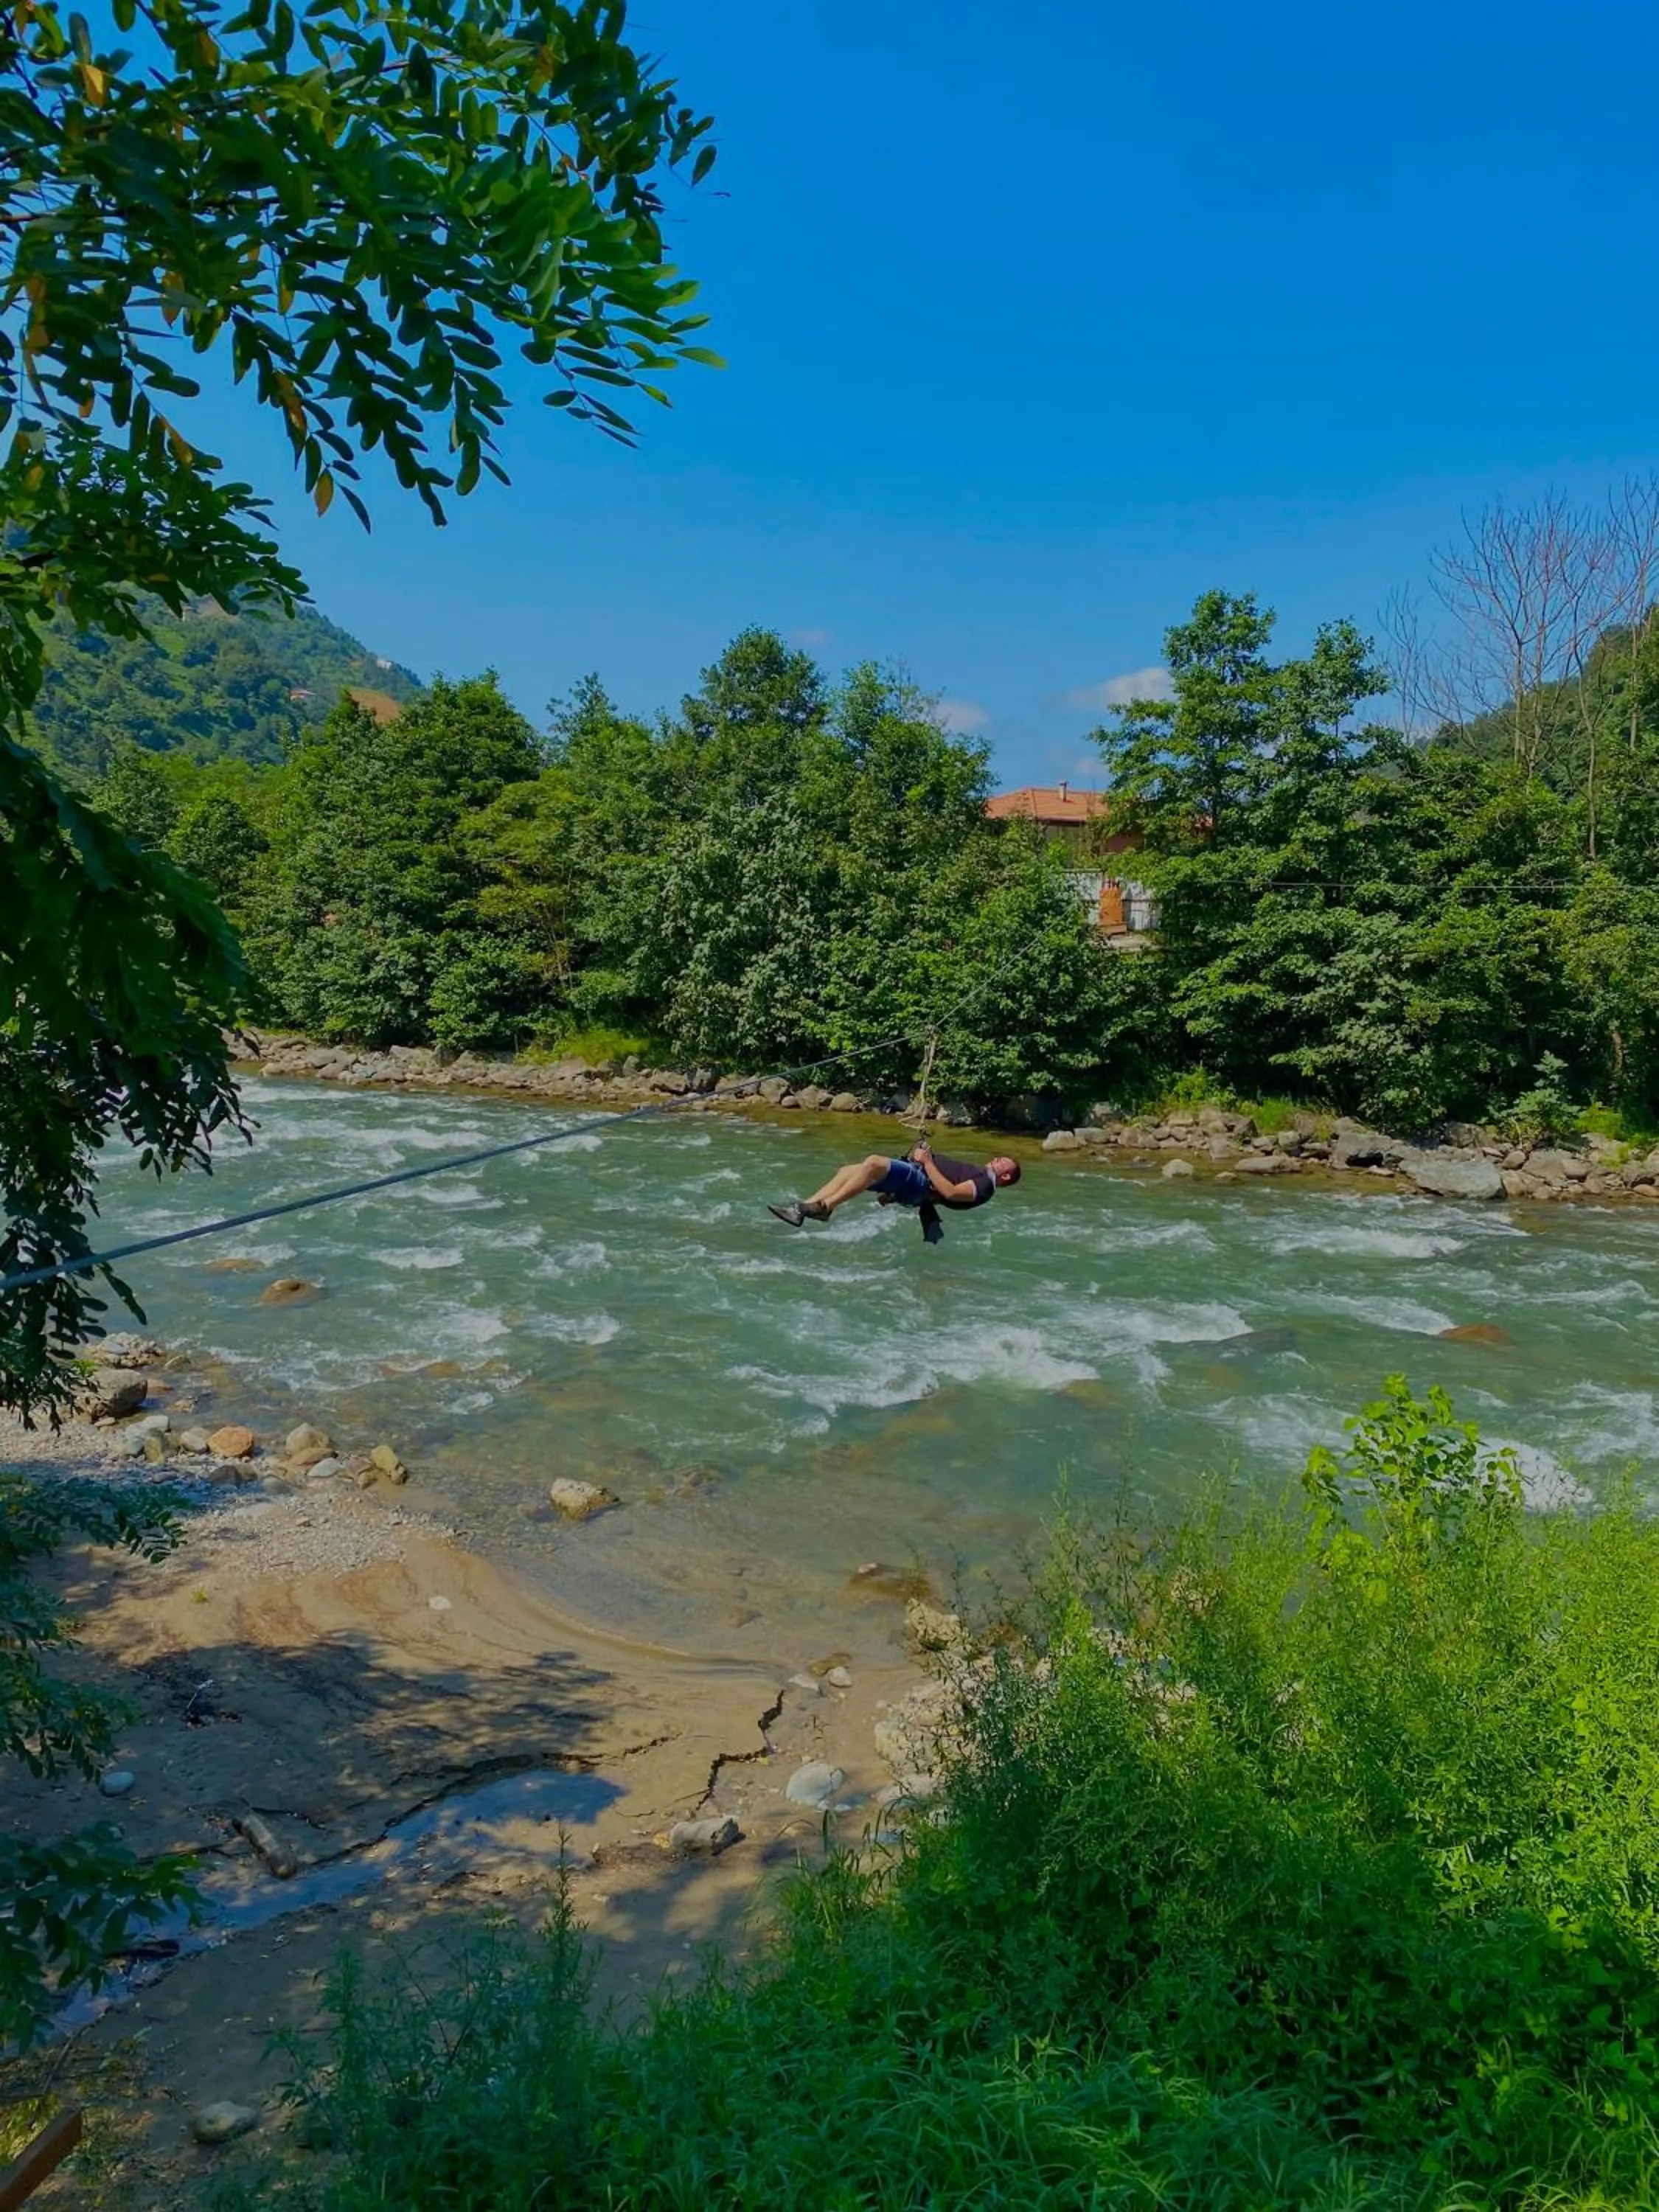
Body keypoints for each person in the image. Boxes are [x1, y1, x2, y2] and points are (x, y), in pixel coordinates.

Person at [768, 1139, 1020, 1242]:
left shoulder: (985, 1186)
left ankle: (825, 1208)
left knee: (873, 1163)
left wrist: (927, 1161)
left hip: (919, 1181)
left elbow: (951, 1193)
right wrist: (893, 1194)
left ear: (1006, 1176)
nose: (996, 1159)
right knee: (848, 1171)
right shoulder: (980, 1176)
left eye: (1002, 1162)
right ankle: (801, 1209)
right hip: (915, 1180)